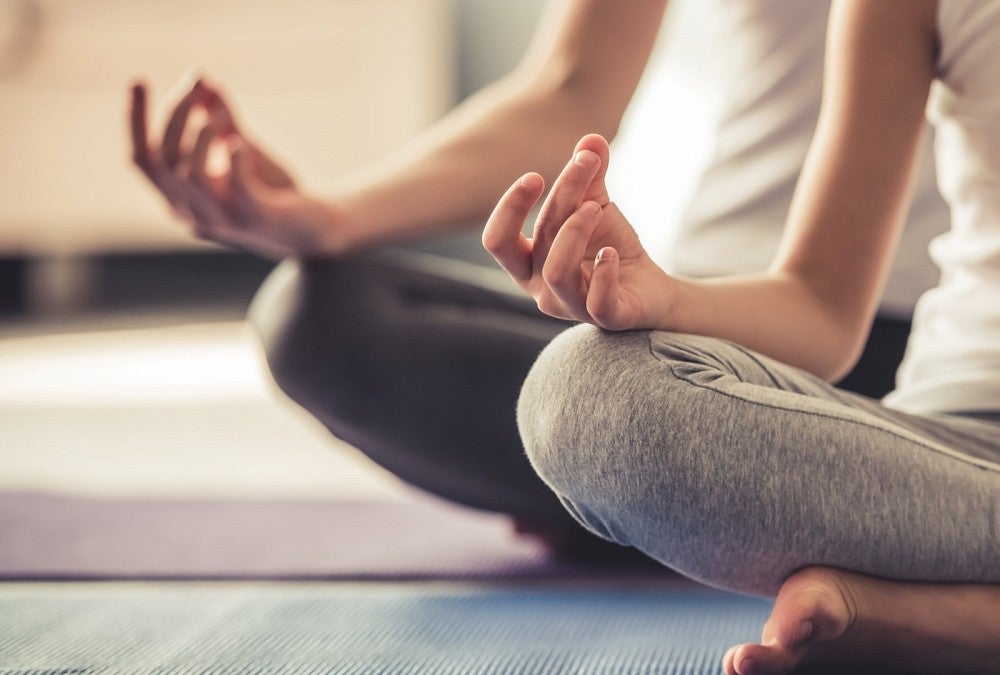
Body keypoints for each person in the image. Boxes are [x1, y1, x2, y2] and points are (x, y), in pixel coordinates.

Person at [481, 0, 1000, 673]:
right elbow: (820, 312)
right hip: (963, 456)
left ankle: (950, 619)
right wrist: (663, 296)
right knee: (585, 393)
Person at [128, 0, 947, 559]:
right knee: (319, 314)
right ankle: (670, 510)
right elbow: (571, 87)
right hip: (686, 322)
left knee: (614, 406)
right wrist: (325, 216)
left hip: (903, 353)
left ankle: (647, 511)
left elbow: (822, 309)